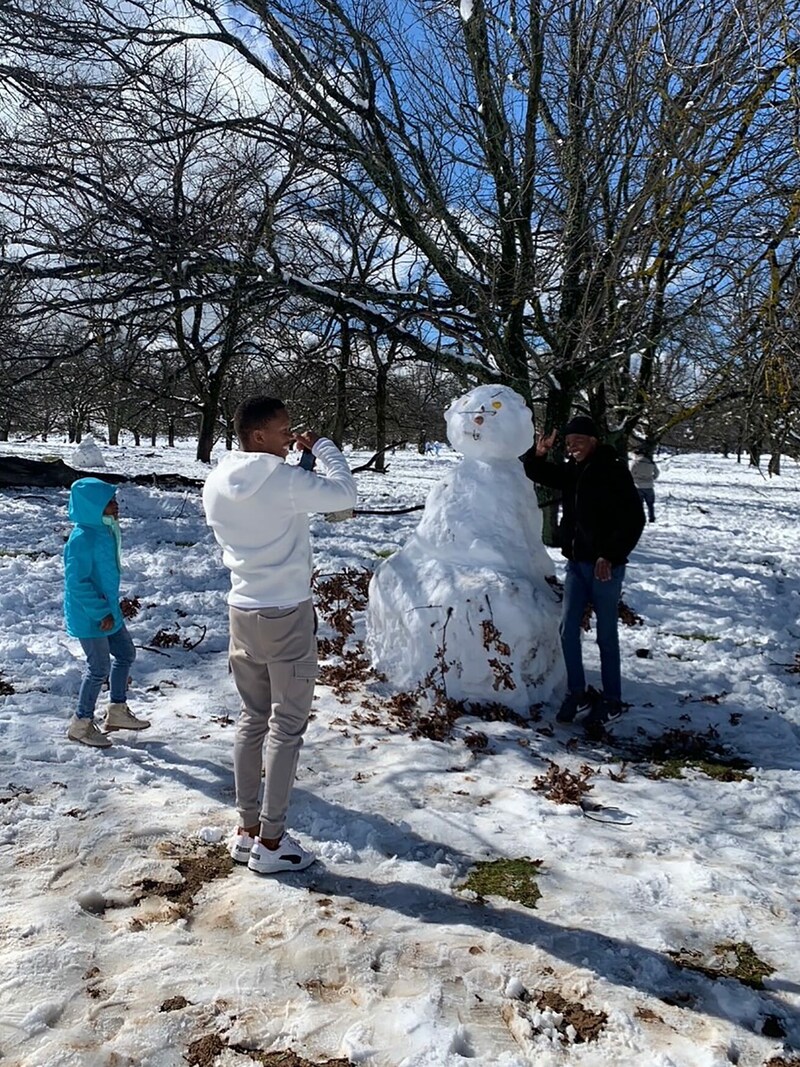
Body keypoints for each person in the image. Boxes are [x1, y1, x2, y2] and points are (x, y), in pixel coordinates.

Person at [203, 396, 358, 875]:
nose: (291, 438)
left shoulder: (216, 480)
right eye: (284, 431)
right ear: (257, 436)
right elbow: (344, 496)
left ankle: (247, 830)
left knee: (252, 719)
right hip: (286, 613)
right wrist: (327, 449)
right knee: (286, 727)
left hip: (242, 609)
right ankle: (272, 841)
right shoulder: (285, 480)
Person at [522, 415, 644, 736]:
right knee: (567, 630)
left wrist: (612, 554)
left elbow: (634, 518)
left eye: (578, 441)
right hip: (576, 564)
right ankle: (578, 694)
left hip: (605, 567)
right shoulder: (574, 470)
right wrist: (539, 453)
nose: (572, 447)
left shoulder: (612, 470)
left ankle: (613, 699)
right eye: (568, 442)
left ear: (594, 441)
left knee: (605, 635)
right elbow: (540, 473)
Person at [64, 478, 150, 748]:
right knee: (98, 667)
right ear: (92, 507)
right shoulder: (81, 539)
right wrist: (102, 612)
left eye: (114, 501)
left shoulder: (104, 530)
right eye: (110, 502)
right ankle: (81, 723)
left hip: (107, 610)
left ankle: (117, 710)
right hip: (91, 616)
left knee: (125, 653)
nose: (116, 506)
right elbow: (77, 583)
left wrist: (111, 608)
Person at [630, 448, 660, 523]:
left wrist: (635, 479)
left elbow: (631, 473)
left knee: (639, 505)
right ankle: (651, 518)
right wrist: (652, 478)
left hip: (638, 486)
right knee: (650, 504)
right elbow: (657, 473)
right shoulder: (651, 462)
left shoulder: (635, 463)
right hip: (649, 486)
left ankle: (639, 518)